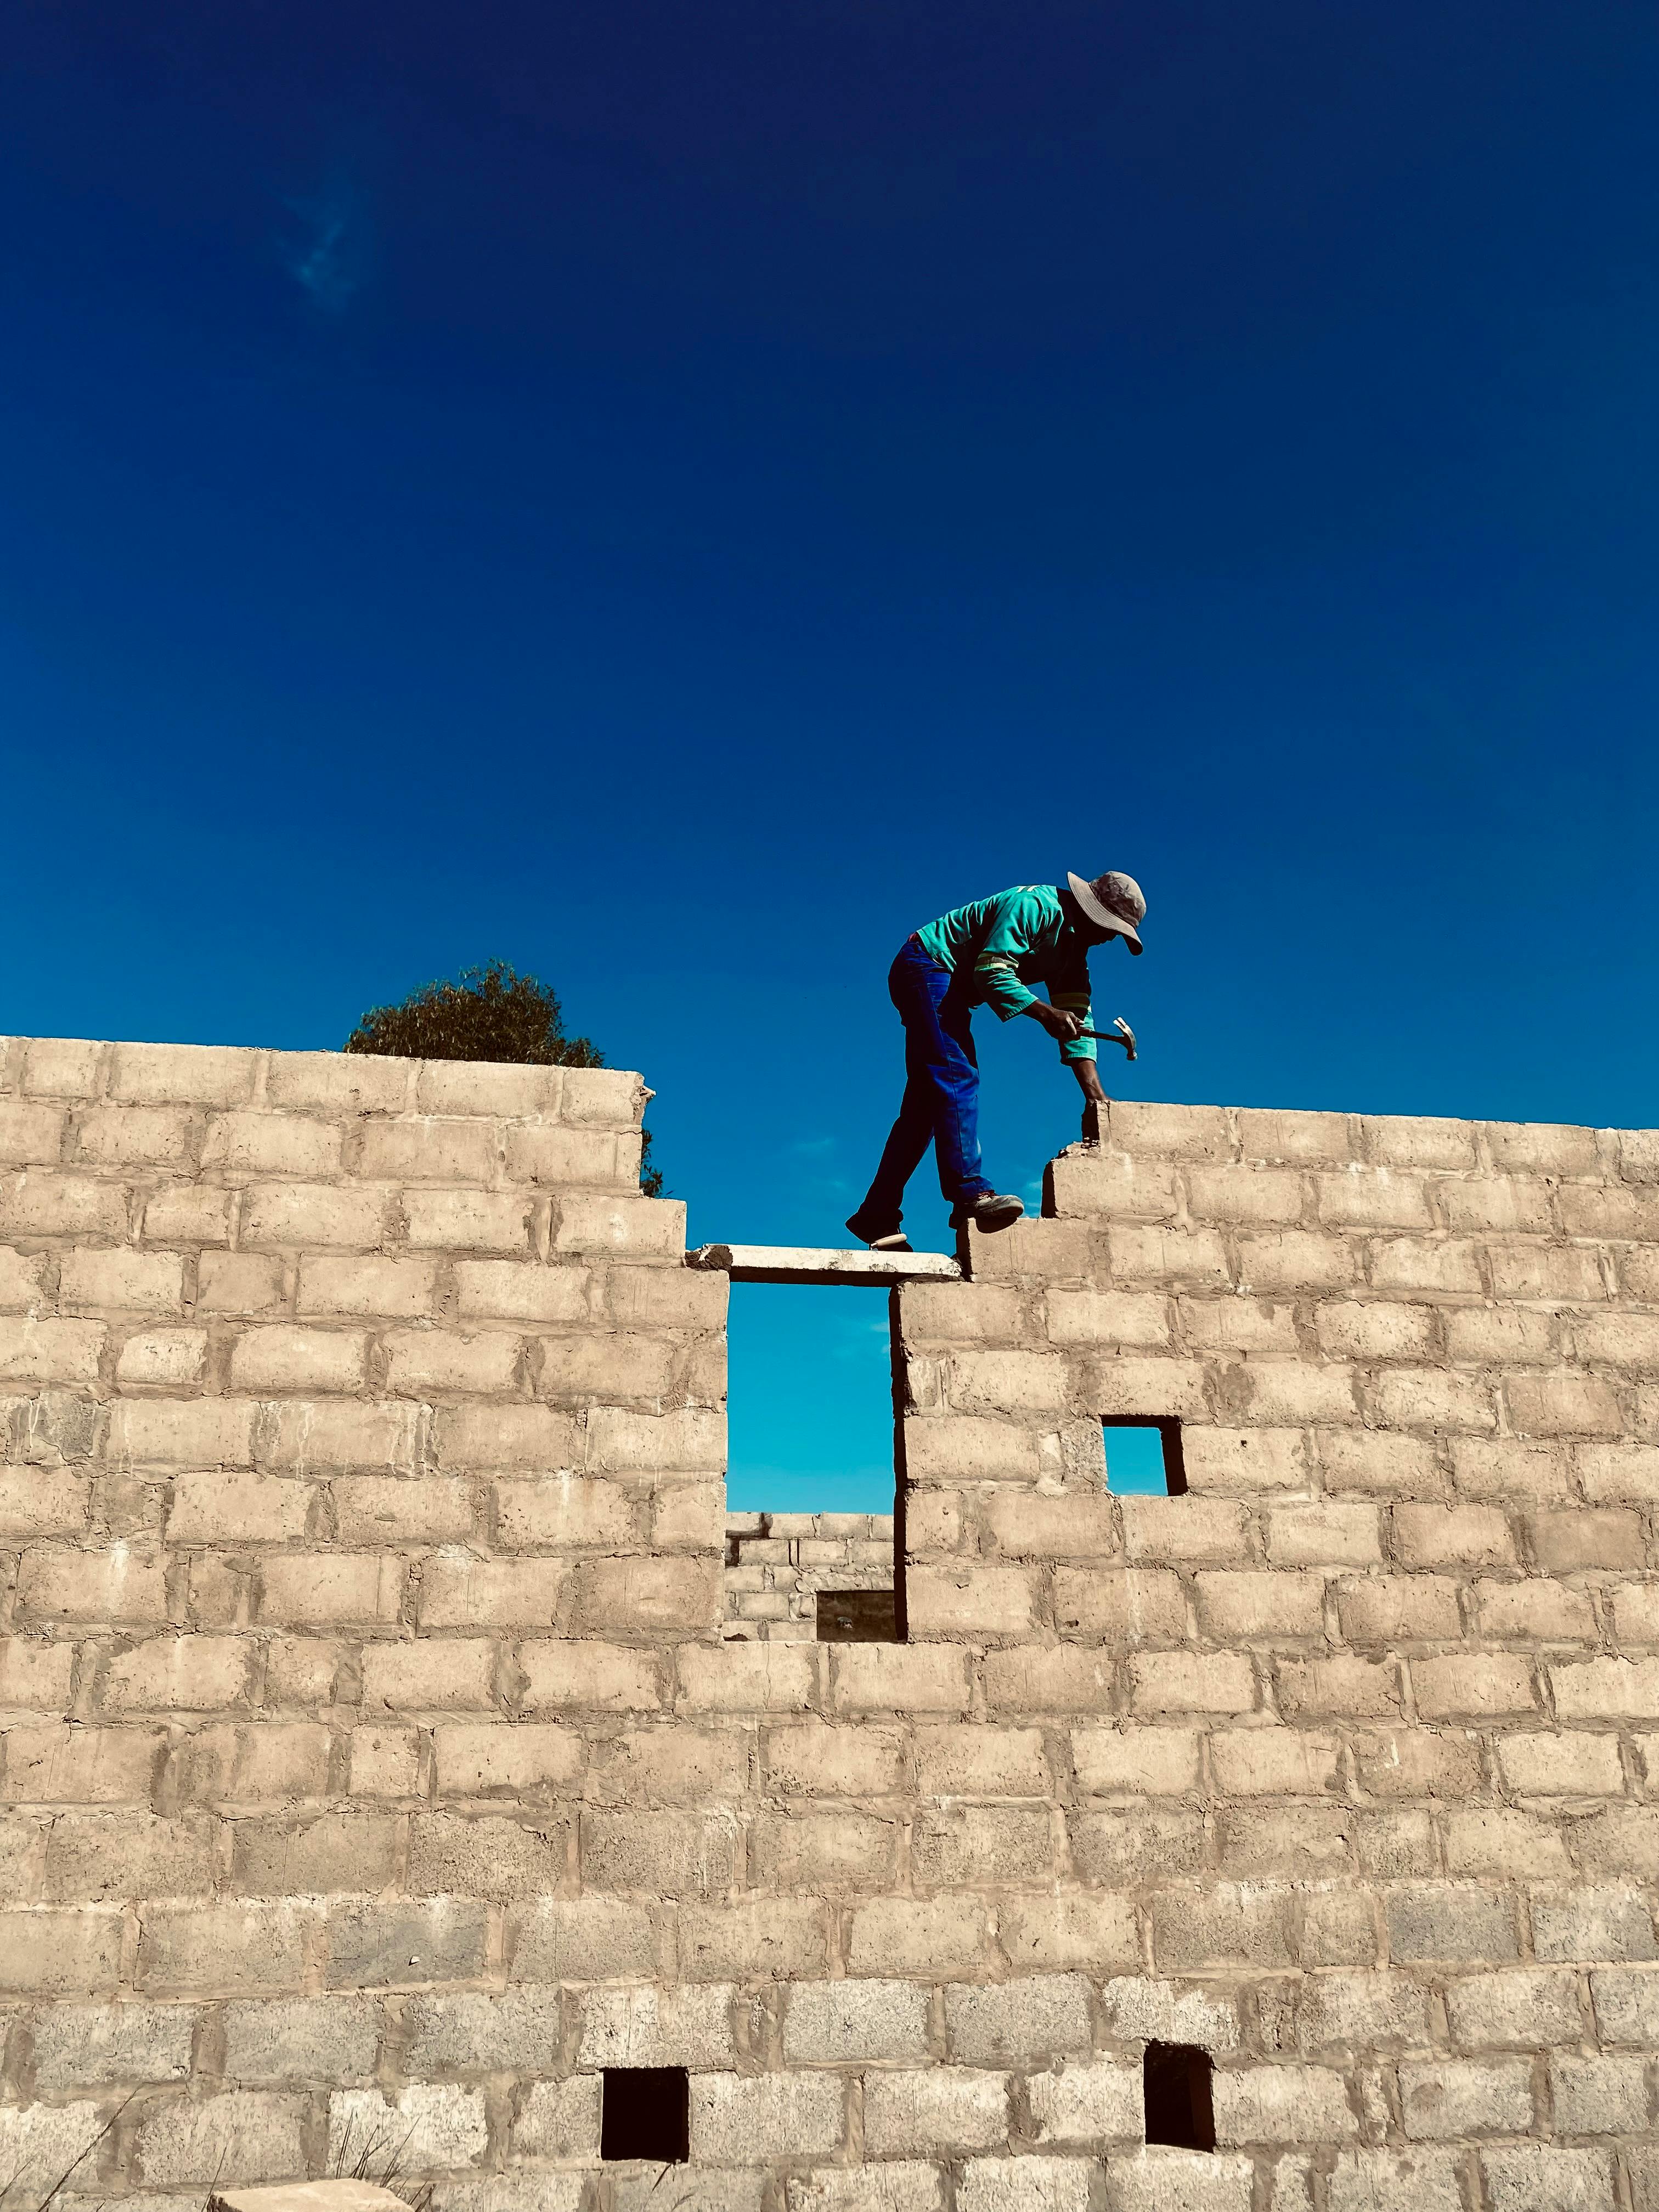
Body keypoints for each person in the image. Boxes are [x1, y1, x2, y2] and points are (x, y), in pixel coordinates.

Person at [845, 870, 1146, 1252]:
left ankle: (877, 1212)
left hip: (952, 985)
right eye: (1110, 928)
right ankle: (969, 1194)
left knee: (927, 1107)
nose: (1109, 938)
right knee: (956, 1077)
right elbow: (992, 970)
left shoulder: (1073, 951)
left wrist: (1096, 1097)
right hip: (927, 964)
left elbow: (1078, 1016)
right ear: (1092, 910)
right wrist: (1044, 1013)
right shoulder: (1035, 906)